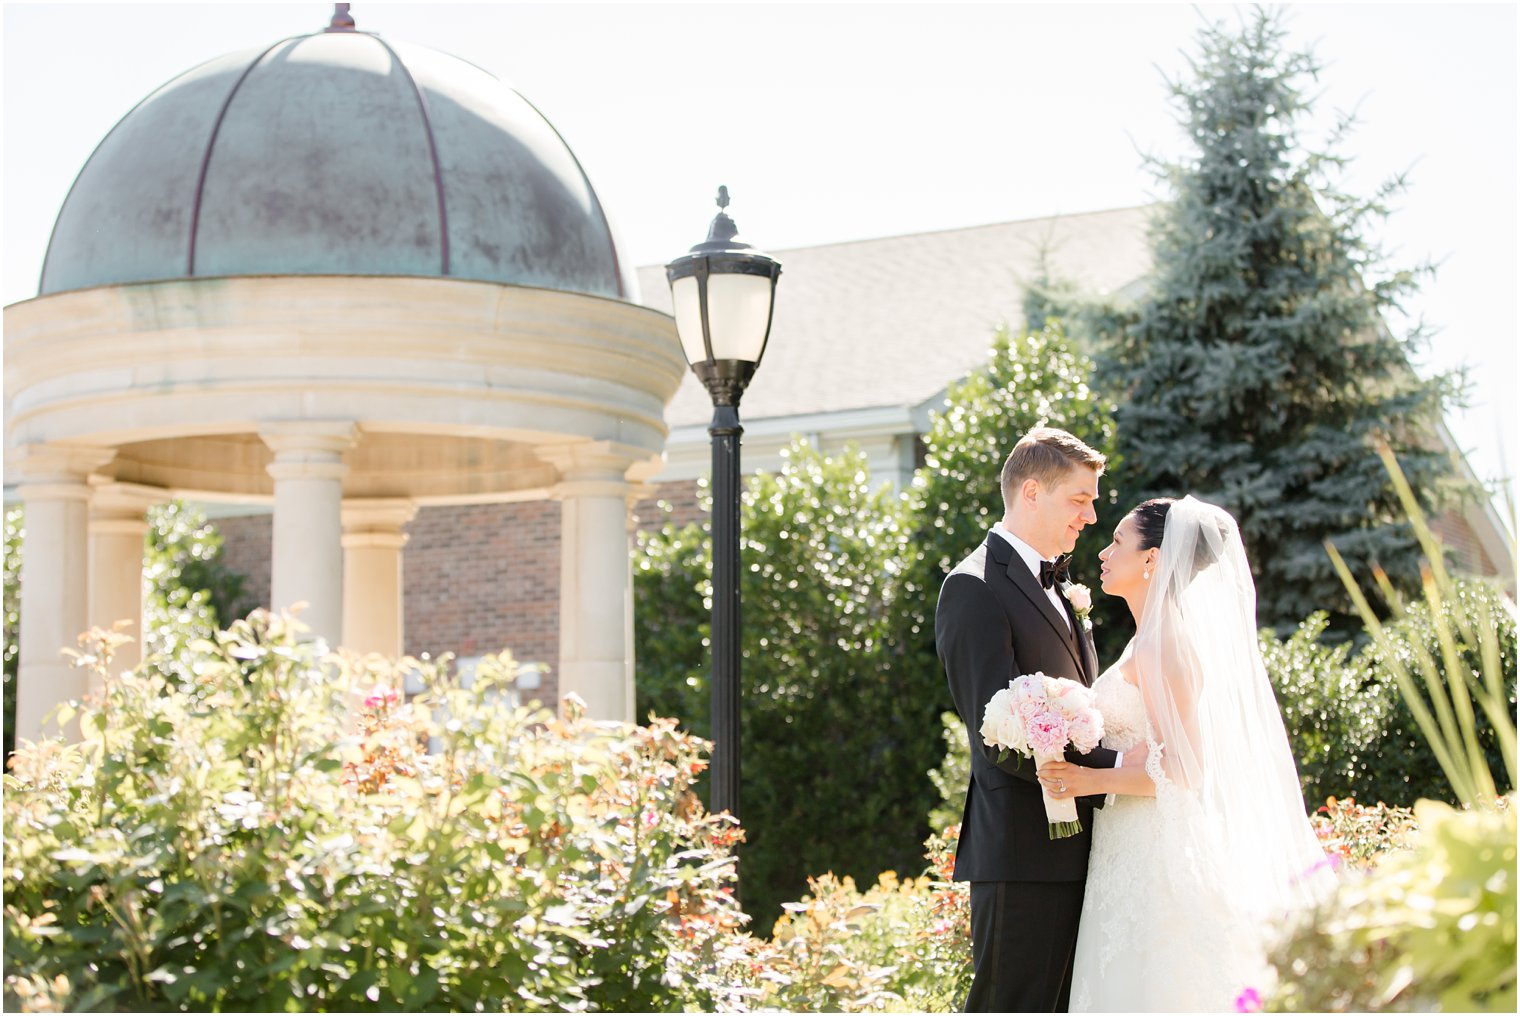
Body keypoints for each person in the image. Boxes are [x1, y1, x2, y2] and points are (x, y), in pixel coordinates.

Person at [1037, 496, 1335, 1012]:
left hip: (1157, 847)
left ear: (1152, 559)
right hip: (1128, 839)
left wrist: (1087, 782)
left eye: (1118, 542)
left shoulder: (1163, 643)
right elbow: (1148, 748)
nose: (1104, 553)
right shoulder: (1145, 640)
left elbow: (1184, 767)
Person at [936, 427, 1149, 1012]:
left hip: (1086, 851)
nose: (1090, 516)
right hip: (1023, 852)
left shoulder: (1059, 586)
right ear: (1032, 492)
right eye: (1080, 500)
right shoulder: (974, 588)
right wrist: (1115, 771)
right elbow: (996, 734)